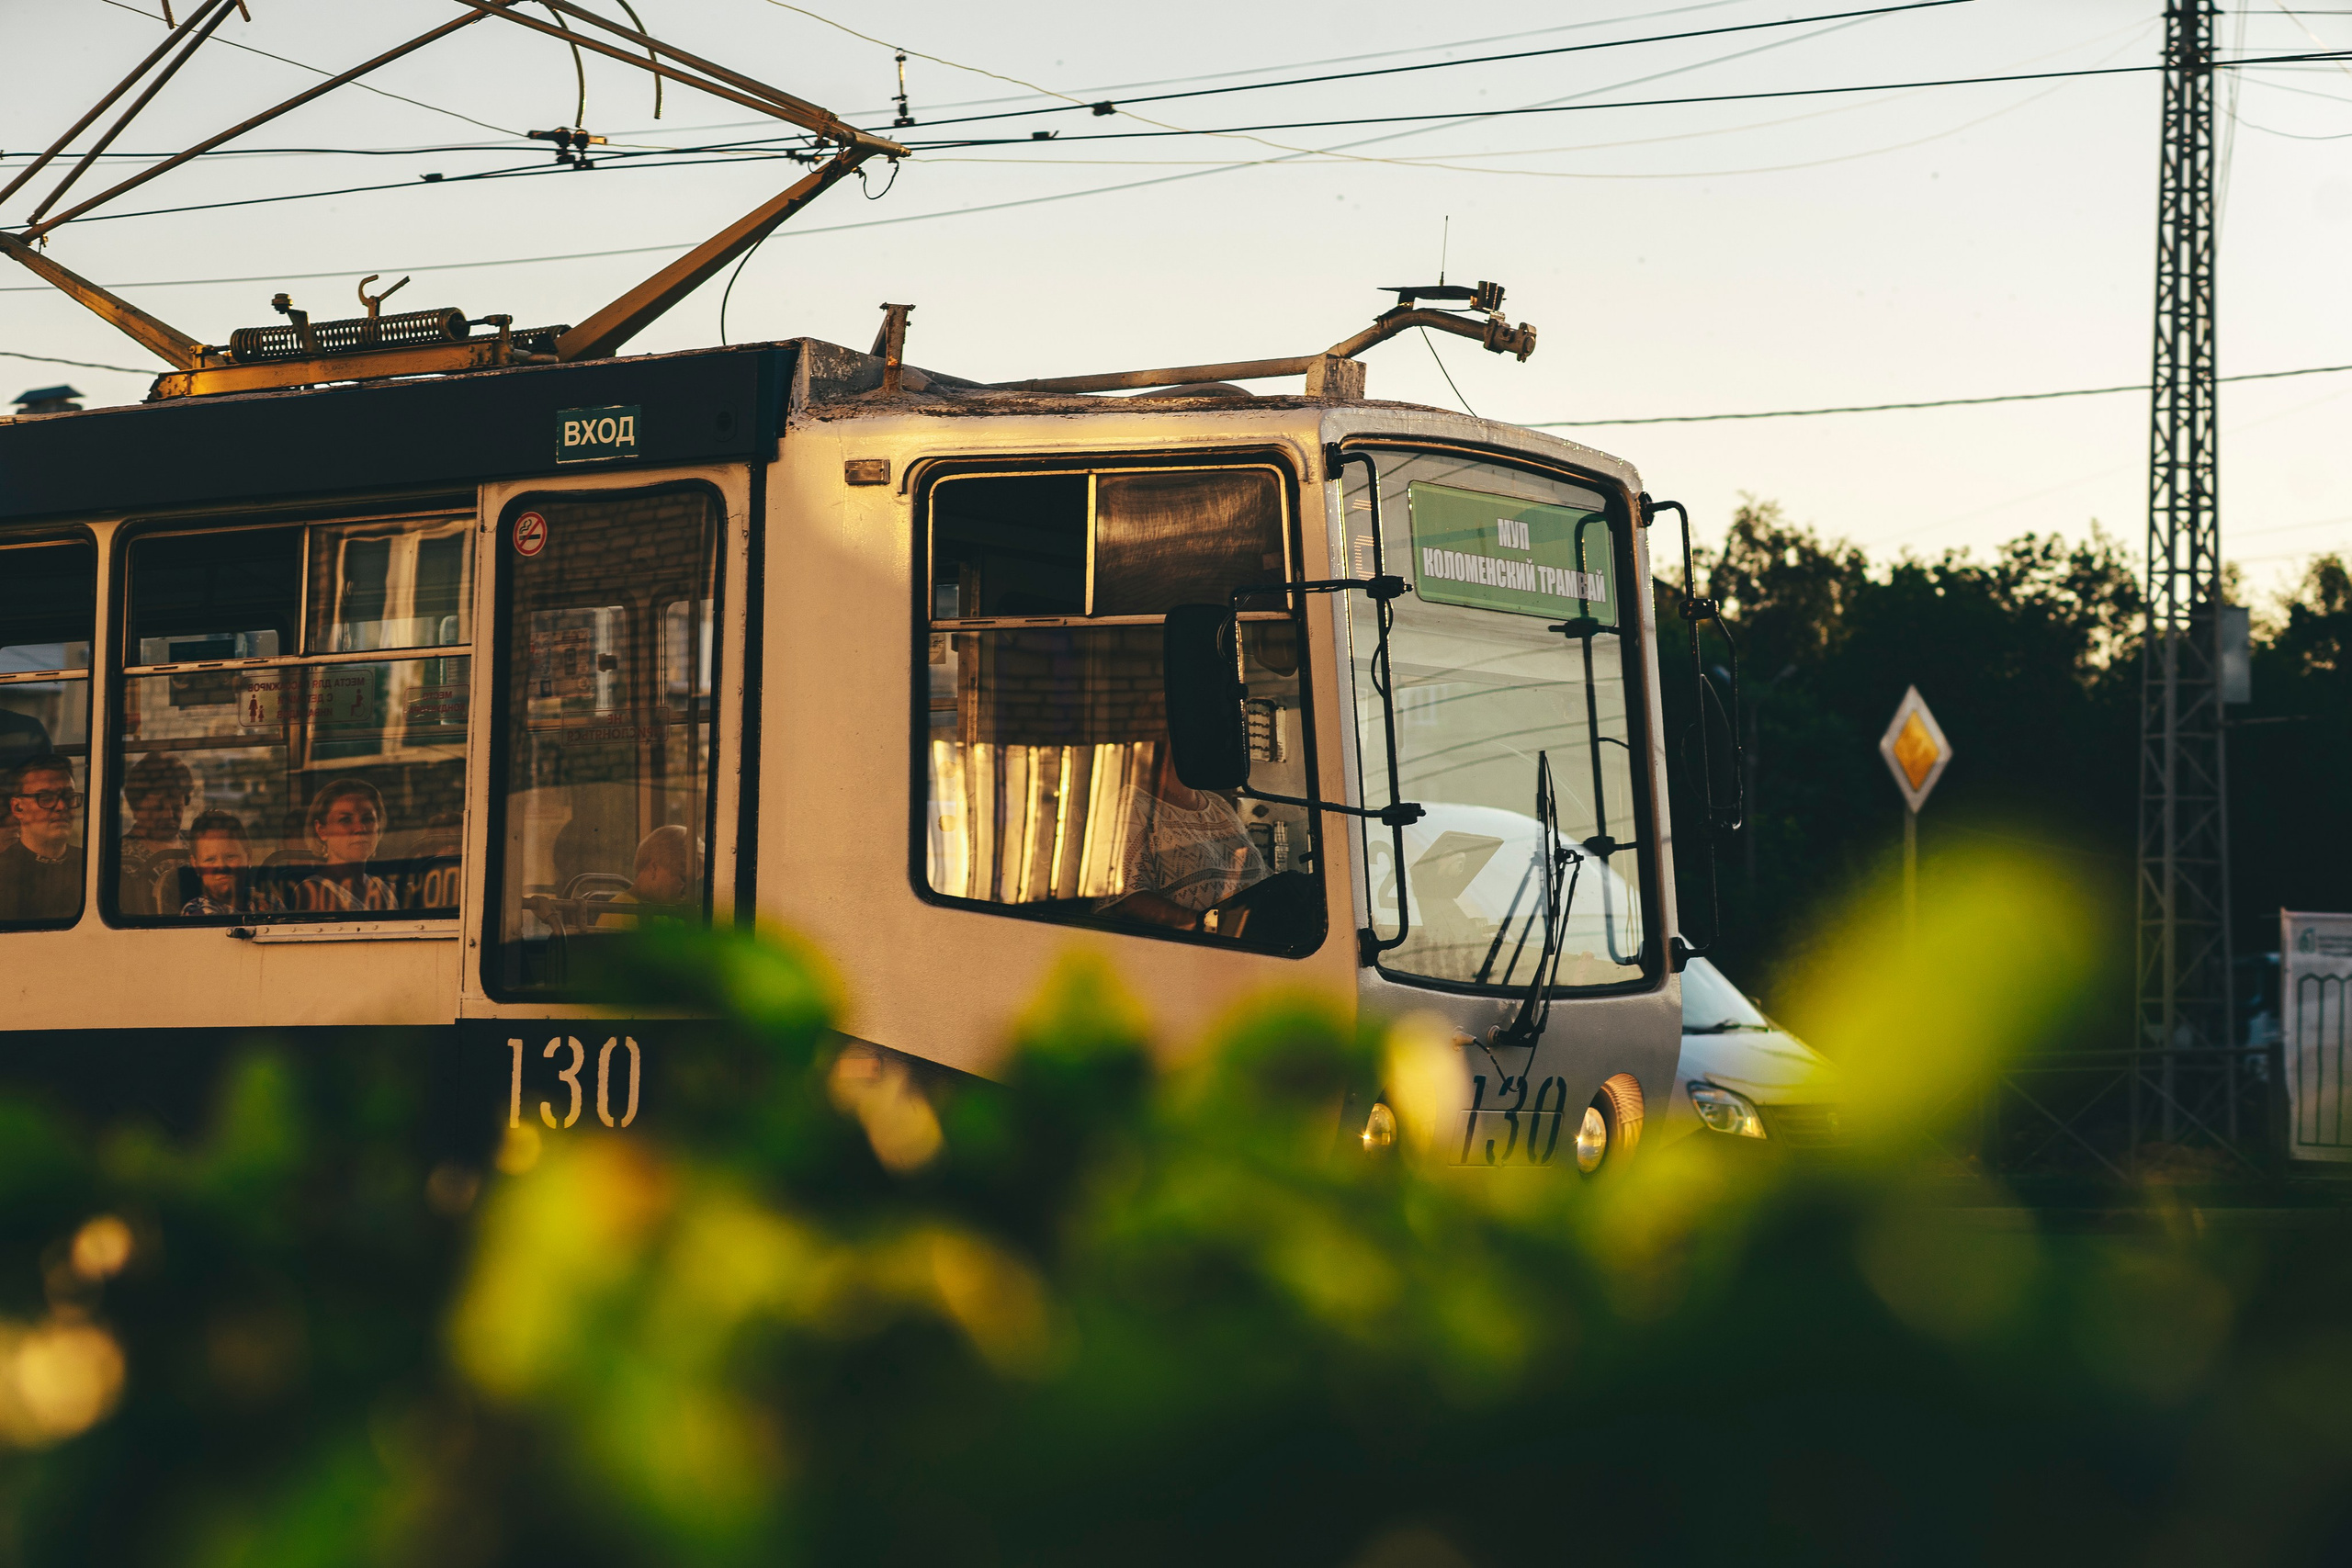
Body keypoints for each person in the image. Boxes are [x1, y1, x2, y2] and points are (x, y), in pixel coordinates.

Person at [1097, 745, 1272, 936]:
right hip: (1193, 950)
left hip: (1255, 939)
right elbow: (1127, 900)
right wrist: (1212, 926)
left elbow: (1258, 871)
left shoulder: (1218, 804)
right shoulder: (1131, 806)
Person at [0, 753, 85, 923]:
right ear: (18, 808)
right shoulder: (4, 874)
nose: (61, 806)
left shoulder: (91, 866)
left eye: (68, 797)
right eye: (46, 798)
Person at [297, 778, 396, 913]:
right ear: (321, 830)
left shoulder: (384, 891)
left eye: (368, 819)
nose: (360, 828)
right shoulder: (313, 892)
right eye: (345, 820)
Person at [117, 751, 194, 916]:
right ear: (136, 808)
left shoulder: (197, 845)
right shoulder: (121, 855)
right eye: (158, 808)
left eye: (176, 808)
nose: (168, 815)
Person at [178, 811, 257, 917]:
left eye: (230, 856)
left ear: (248, 857)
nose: (221, 866)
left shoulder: (268, 904)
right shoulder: (197, 913)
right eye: (210, 859)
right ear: (195, 865)